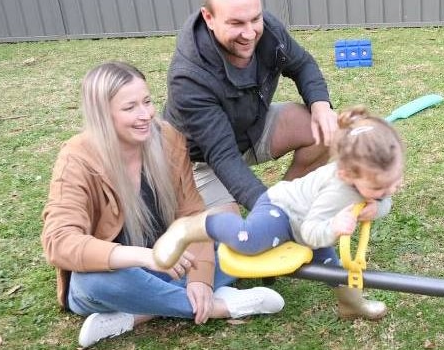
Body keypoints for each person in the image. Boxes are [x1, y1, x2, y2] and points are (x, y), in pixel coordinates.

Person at [41, 62, 284, 348]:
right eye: (130, 107)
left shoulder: (168, 137)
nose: (145, 115)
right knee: (88, 284)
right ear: (102, 115)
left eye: (147, 102)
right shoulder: (77, 158)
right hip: (120, 270)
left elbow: (193, 215)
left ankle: (136, 314)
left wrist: (200, 280)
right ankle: (221, 306)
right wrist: (144, 257)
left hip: (172, 259)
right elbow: (59, 242)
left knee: (239, 241)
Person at [154, 106, 405, 320]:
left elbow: (383, 202)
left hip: (307, 222)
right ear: (345, 175)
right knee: (247, 240)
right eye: (380, 187)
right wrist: (333, 228)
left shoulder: (370, 178)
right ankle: (193, 227)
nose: (390, 189)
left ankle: (351, 304)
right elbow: (309, 231)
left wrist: (377, 205)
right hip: (282, 211)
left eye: (394, 181)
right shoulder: (336, 193)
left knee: (334, 268)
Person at [163, 0, 338, 216]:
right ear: (208, 18)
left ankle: (289, 204)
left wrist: (320, 105)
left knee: (326, 129)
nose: (249, 33)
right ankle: (271, 211)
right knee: (232, 236)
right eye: (236, 23)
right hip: (200, 160)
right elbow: (223, 157)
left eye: (255, 18)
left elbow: (302, 65)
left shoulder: (268, 29)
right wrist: (267, 209)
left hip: (251, 128)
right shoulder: (189, 78)